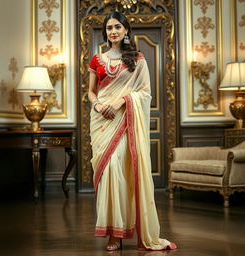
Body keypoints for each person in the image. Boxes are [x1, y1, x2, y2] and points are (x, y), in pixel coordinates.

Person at [88, 11, 177, 252]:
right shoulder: (97, 59)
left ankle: (119, 232)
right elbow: (91, 92)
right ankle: (112, 231)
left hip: (124, 120)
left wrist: (121, 102)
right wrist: (97, 104)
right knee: (107, 174)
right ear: (105, 32)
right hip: (101, 121)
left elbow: (145, 93)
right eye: (109, 28)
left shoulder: (137, 59)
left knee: (120, 171)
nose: (113, 31)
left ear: (126, 30)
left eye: (117, 27)